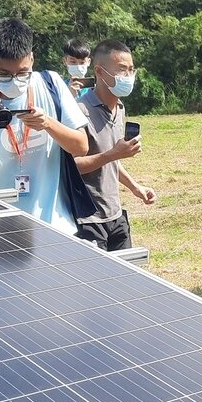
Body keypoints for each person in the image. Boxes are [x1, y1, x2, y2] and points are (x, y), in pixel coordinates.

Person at [0, 18, 89, 235]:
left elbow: (81, 147)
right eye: (4, 74)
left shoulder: (51, 84)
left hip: (56, 227)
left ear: (32, 59)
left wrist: (48, 124)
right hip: (1, 231)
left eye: (23, 72)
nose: (15, 80)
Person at [74, 40, 157, 251]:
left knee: (123, 280)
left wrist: (135, 187)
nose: (128, 76)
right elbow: (71, 166)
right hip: (89, 220)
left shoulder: (119, 107)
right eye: (121, 70)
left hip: (116, 214)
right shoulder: (78, 112)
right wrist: (113, 154)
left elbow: (110, 161)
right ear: (99, 72)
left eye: (130, 70)